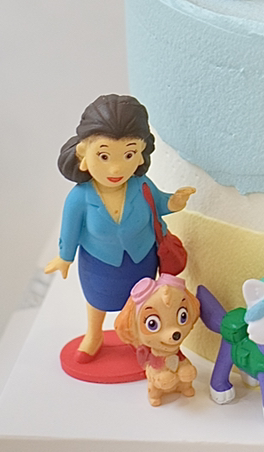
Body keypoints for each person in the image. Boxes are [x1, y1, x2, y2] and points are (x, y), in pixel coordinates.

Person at [44, 94, 195, 362]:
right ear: (83, 155)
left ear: (141, 154)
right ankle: (94, 335)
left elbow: (160, 203)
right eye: (103, 155)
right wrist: (64, 258)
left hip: (141, 257)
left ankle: (138, 337)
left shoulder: (142, 185)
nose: (116, 168)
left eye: (128, 154)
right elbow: (70, 230)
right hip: (99, 262)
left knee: (141, 301)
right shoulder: (79, 197)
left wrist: (175, 201)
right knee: (97, 301)